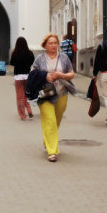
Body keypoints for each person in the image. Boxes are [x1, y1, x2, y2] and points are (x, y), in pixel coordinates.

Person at [31, 33, 75, 162]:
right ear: (45, 45)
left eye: (55, 43)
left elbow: (71, 73)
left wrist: (62, 75)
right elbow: (33, 72)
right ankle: (52, 151)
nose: (53, 45)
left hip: (61, 93)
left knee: (56, 120)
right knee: (50, 120)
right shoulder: (40, 58)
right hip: (45, 94)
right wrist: (45, 76)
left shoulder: (64, 57)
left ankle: (48, 140)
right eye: (50, 43)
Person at [9, 37, 34, 120]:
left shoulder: (15, 53)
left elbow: (12, 63)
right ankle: (29, 111)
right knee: (26, 95)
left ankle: (22, 115)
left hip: (18, 77)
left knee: (20, 97)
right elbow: (32, 62)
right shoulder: (29, 53)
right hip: (27, 76)